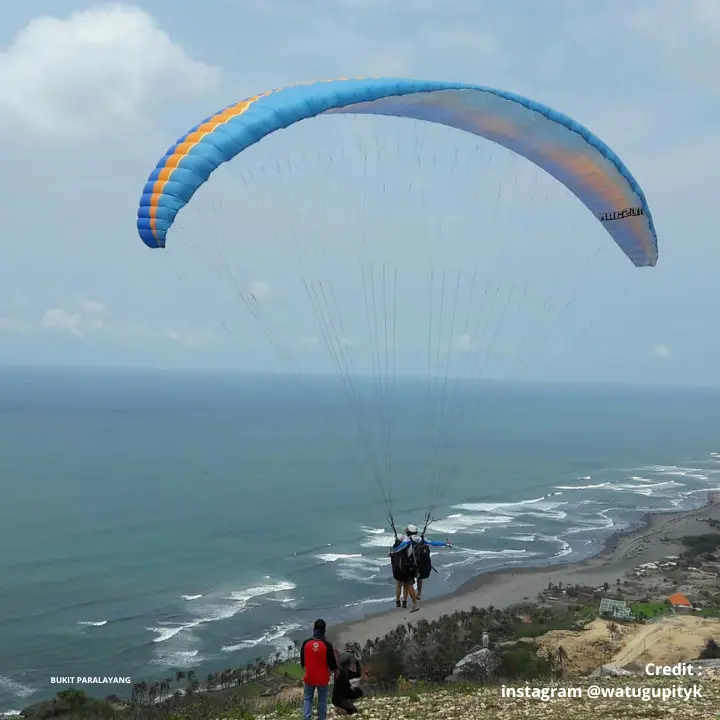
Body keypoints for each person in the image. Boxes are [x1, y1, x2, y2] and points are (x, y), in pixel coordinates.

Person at [390, 524, 451, 608]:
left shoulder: (407, 540)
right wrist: (445, 544)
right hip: (419, 565)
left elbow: (399, 548)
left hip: (410, 566)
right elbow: (433, 543)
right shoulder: (421, 539)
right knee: (419, 579)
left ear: (408, 532)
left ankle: (415, 605)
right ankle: (419, 594)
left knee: (409, 585)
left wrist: (392, 552)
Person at [300, 619, 338, 720]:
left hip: (309, 677)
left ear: (314, 629)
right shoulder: (327, 645)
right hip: (322, 678)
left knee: (308, 698)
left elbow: (303, 663)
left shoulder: (306, 643)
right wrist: (336, 672)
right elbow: (332, 664)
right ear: (324, 630)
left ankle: (306, 718)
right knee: (322, 700)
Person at [331, 651, 363, 715]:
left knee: (359, 692)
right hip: (340, 698)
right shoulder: (342, 672)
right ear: (347, 664)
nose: (352, 664)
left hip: (340, 696)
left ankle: (341, 709)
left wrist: (357, 662)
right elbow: (357, 674)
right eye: (351, 663)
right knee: (354, 711)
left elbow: (357, 674)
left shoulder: (344, 671)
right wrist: (357, 662)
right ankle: (339, 709)